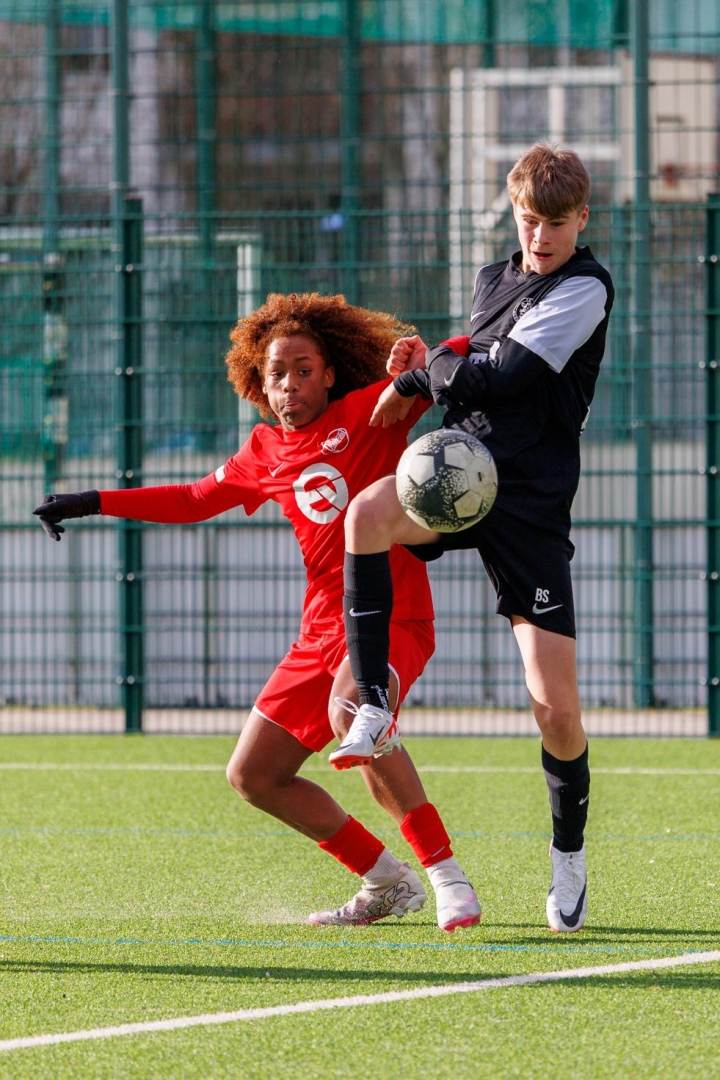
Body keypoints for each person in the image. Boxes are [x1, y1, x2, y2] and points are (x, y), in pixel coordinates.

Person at [33, 292, 482, 933]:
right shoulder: (263, 450)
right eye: (278, 373)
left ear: (330, 374)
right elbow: (193, 498)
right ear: (259, 384)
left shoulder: (370, 411)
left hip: (392, 618)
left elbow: (460, 353)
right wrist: (91, 501)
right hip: (318, 632)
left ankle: (445, 876)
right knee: (253, 775)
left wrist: (415, 367)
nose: (291, 383)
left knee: (355, 713)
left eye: (304, 369)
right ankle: (386, 880)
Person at [332, 144, 615, 934]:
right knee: (364, 516)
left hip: (528, 506)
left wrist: (424, 371)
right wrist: (433, 364)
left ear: (581, 219)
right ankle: (374, 703)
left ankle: (568, 858)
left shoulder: (586, 286)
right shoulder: (494, 277)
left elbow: (504, 373)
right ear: (514, 213)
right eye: (529, 221)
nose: (540, 237)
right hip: (458, 473)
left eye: (556, 223)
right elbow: (470, 362)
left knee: (556, 711)